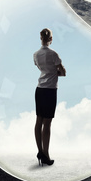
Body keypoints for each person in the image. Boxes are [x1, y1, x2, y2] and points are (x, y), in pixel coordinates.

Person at [33, 28, 66, 166]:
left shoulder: (35, 54)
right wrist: (54, 74)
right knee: (47, 124)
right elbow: (63, 72)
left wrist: (48, 73)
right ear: (51, 39)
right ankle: (46, 154)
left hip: (39, 89)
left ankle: (40, 151)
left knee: (38, 121)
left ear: (40, 38)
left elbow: (41, 69)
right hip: (50, 90)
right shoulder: (54, 54)